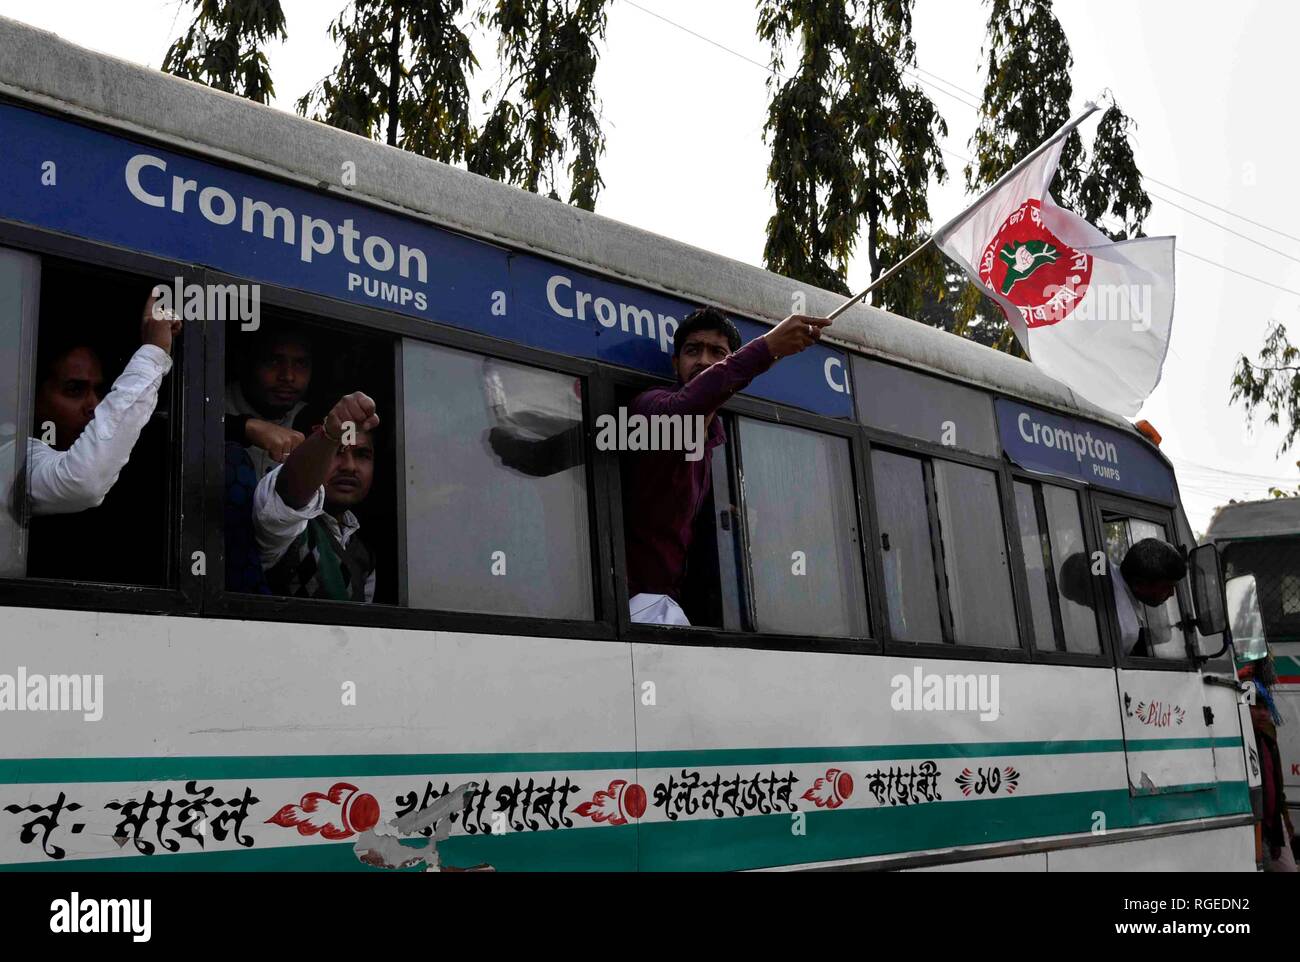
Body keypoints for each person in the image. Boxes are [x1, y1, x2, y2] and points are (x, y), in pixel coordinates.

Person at [623, 307, 831, 626]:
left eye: (717, 353)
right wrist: (769, 347)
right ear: (675, 363)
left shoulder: (714, 440)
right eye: (693, 350)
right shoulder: (650, 408)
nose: (704, 361)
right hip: (636, 611)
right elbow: (686, 408)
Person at [12, 293, 180, 519]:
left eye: (99, 391)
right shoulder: (11, 457)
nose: (94, 406)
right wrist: (152, 355)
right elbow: (82, 482)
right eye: (75, 390)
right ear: (33, 398)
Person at [253, 391, 379, 602]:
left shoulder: (365, 556)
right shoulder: (283, 526)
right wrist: (329, 435)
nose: (349, 466)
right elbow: (290, 493)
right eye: (337, 451)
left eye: (361, 455)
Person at [227, 326, 313, 477]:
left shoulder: (312, 418)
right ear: (243, 362)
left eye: (300, 364)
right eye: (273, 361)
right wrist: (243, 427)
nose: (288, 376)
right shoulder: (209, 403)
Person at [1112, 538, 1186, 656]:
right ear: (1139, 584)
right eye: (1167, 586)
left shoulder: (1103, 566)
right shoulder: (1127, 630)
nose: (1172, 593)